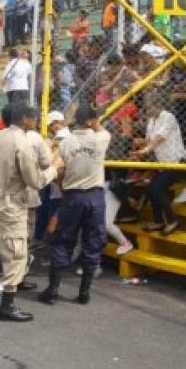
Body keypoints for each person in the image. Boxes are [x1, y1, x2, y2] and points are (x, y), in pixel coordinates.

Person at [0, 104, 62, 322]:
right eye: (34, 118)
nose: (36, 122)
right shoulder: (23, 142)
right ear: (26, 119)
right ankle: (7, 306)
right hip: (10, 204)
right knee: (16, 255)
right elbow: (35, 180)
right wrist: (54, 168)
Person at [38, 105, 110, 306]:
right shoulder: (101, 138)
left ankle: (52, 290)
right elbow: (101, 129)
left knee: (62, 240)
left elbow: (57, 169)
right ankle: (84, 292)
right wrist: (96, 122)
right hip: (95, 196)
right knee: (92, 241)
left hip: (72, 196)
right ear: (91, 121)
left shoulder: (66, 142)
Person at [131, 97, 186, 236]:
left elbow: (160, 138)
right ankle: (158, 221)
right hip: (163, 163)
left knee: (156, 188)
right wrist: (141, 144)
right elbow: (150, 141)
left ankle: (172, 221)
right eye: (146, 109)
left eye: (149, 108)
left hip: (176, 161)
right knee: (151, 188)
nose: (147, 111)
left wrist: (146, 149)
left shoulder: (168, 117)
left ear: (158, 105)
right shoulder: (151, 121)